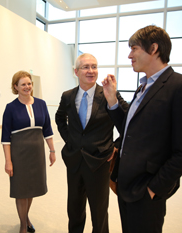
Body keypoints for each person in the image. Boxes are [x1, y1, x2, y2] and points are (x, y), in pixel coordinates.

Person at [102, 25, 182, 233]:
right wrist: (112, 100)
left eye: (134, 48)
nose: (129, 55)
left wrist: (153, 189)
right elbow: (130, 131)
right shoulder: (143, 87)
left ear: (154, 48)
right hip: (126, 186)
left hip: (146, 191)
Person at [55, 53, 128, 233]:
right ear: (76, 71)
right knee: (74, 208)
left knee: (99, 210)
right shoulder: (68, 96)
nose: (91, 71)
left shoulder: (109, 94)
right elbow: (59, 118)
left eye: (94, 67)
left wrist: (115, 145)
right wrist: (69, 140)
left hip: (99, 161)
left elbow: (128, 122)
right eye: (86, 67)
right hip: (74, 160)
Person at [1, 70, 56, 233]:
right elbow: (5, 137)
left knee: (31, 188)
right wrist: (8, 161)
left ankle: (25, 217)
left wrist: (52, 150)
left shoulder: (41, 104)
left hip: (37, 153)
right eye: (23, 84)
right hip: (19, 154)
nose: (27, 87)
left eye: (29, 83)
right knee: (21, 189)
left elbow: (47, 129)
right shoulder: (10, 108)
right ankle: (23, 226)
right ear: (15, 87)